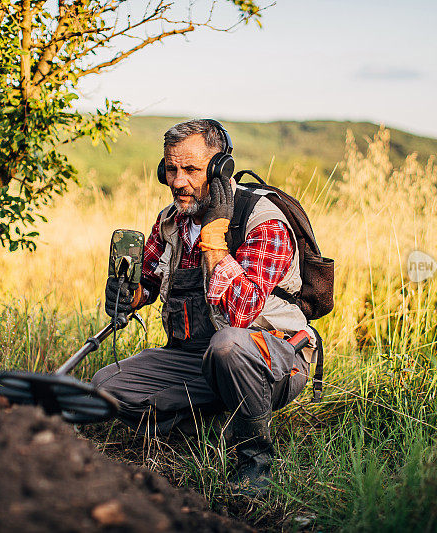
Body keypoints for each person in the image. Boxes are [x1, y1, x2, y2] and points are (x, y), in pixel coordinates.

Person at [92, 119, 317, 495]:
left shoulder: (264, 222)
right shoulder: (170, 222)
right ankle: (214, 422)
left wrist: (215, 244)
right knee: (107, 386)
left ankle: (254, 460)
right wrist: (126, 295)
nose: (178, 181)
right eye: (171, 169)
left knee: (229, 344)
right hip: (197, 357)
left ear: (219, 169)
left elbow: (241, 313)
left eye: (192, 170)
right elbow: (147, 282)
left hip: (275, 356)